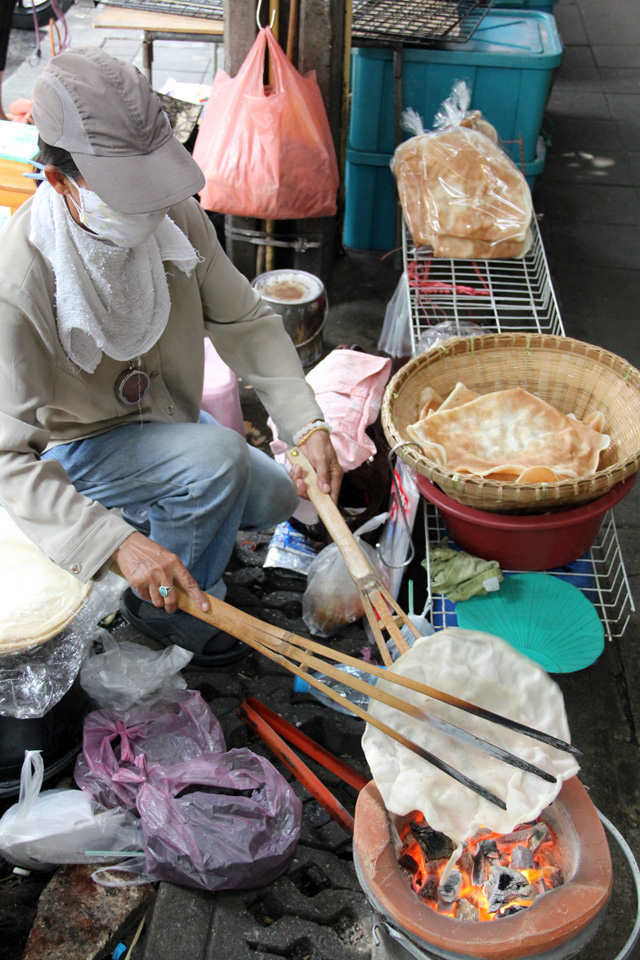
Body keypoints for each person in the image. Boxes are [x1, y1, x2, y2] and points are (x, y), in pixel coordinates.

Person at [0, 47, 342, 666]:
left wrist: (307, 421)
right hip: (75, 451)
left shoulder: (174, 216)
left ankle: (168, 516)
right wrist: (112, 543)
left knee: (269, 497)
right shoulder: (20, 281)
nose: (153, 210)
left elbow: (244, 319)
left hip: (160, 428)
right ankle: (164, 612)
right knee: (215, 461)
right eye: (131, 195)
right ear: (59, 181)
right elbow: (6, 459)